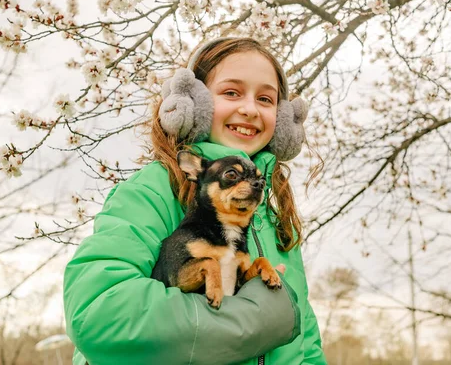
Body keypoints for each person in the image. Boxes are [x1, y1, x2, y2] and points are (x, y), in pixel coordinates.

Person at [63, 37, 327, 365]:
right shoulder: (154, 189)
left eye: (265, 98)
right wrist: (254, 319)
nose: (249, 109)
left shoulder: (272, 218)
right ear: (194, 104)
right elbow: (98, 315)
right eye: (231, 92)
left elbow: (306, 342)